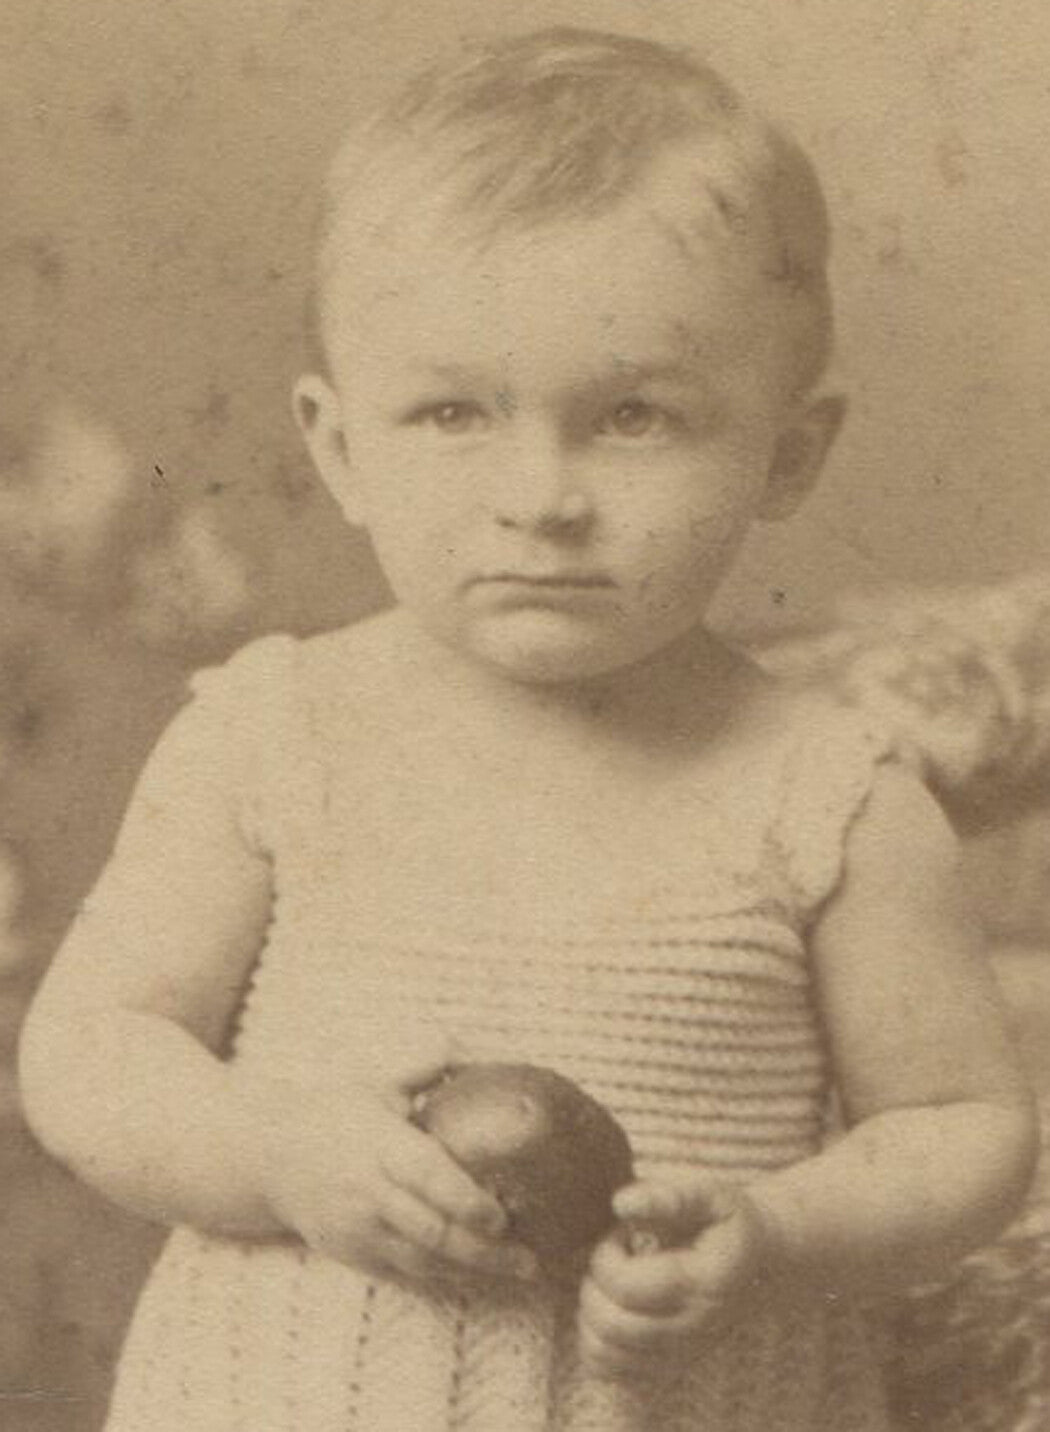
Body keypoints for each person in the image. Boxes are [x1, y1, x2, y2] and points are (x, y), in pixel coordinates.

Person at [18, 27, 1037, 1432]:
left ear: (783, 454)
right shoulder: (274, 733)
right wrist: (274, 1151)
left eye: (631, 417)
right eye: (451, 412)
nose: (538, 496)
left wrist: (780, 1237)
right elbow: (93, 1049)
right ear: (337, 445)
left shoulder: (829, 793)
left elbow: (961, 1130)